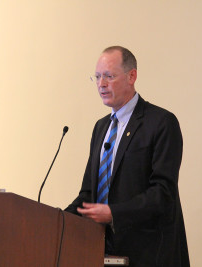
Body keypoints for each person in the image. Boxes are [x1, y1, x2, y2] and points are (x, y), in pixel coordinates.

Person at [65, 46, 190, 267]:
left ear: (131, 76)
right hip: (100, 252)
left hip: (148, 255)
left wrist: (113, 213)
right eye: (97, 77)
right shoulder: (101, 127)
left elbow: (163, 194)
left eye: (109, 76)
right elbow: (88, 194)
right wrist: (55, 220)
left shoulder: (161, 123)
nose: (101, 84)